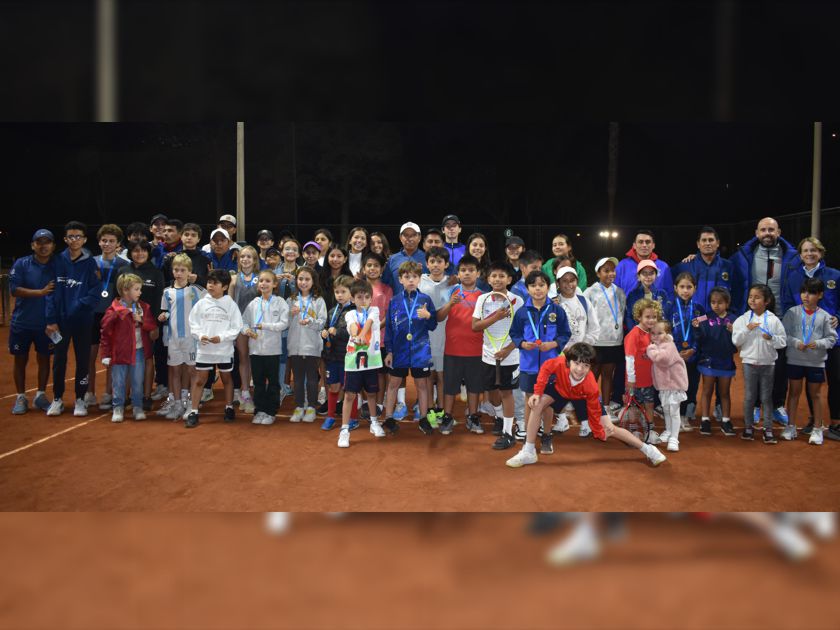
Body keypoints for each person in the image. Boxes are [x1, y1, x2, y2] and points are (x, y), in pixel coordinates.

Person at [505, 343, 667, 468]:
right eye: (576, 363)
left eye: (586, 366)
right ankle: (529, 451)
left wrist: (599, 431)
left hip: (583, 396)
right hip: (561, 388)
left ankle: (648, 449)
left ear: (590, 367)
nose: (580, 369)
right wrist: (537, 392)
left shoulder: (591, 386)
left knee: (610, 429)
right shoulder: (560, 363)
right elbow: (546, 368)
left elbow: (594, 411)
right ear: (568, 362)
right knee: (537, 404)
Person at [731, 217, 800, 423]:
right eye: (763, 230)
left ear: (778, 232)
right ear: (756, 233)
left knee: (780, 365)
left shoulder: (792, 256)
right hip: (755, 316)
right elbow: (724, 268)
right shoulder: (743, 255)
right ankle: (755, 405)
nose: (767, 233)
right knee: (755, 362)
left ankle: (777, 404)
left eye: (771, 229)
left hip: (781, 316)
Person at [780, 237, 840, 439]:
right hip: (803, 340)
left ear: (820, 253)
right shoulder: (793, 276)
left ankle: (835, 422)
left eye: (813, 250)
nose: (809, 254)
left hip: (832, 337)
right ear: (800, 255)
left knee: (835, 379)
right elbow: (787, 303)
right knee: (806, 380)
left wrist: (838, 317)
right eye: (805, 251)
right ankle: (814, 421)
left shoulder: (834, 275)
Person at [509, 270, 571, 448]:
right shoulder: (522, 312)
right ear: (527, 288)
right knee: (530, 399)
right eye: (533, 285)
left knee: (547, 400)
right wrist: (522, 344)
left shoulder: (557, 311)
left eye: (541, 285)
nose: (538, 289)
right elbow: (514, 333)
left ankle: (546, 434)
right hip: (528, 365)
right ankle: (530, 436)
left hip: (550, 364)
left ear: (548, 287)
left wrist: (553, 344)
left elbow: (565, 333)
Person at [44, 221, 100, 417]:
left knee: (83, 360)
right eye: (70, 237)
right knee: (59, 360)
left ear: (84, 240)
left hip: (82, 321)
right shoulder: (56, 261)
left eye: (78, 236)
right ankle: (57, 398)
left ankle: (80, 399)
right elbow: (50, 293)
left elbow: (95, 292)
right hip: (60, 321)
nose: (74, 240)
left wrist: (78, 305)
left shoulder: (90, 263)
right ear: (65, 239)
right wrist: (51, 320)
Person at [382, 260, 437, 435]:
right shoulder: (394, 301)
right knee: (393, 383)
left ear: (419, 279)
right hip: (399, 350)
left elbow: (433, 325)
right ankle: (389, 418)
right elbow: (389, 328)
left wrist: (428, 316)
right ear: (400, 280)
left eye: (414, 277)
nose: (411, 280)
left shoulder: (425, 299)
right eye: (407, 277)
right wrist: (389, 351)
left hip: (420, 351)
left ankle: (423, 419)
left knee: (422, 385)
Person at [472, 260, 522, 449]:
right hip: (488, 355)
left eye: (502, 276)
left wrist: (507, 350)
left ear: (509, 279)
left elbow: (522, 332)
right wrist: (496, 317)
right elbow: (475, 326)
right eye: (494, 275)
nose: (497, 279)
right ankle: (500, 417)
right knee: (493, 394)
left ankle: (508, 432)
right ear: (488, 279)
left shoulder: (517, 301)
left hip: (510, 355)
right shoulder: (482, 299)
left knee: (507, 392)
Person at [185, 269, 243, 428]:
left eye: (215, 283)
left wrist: (222, 338)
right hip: (205, 349)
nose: (210, 285)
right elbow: (193, 323)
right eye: (209, 282)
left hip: (224, 350)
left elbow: (236, 327)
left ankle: (229, 407)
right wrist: (200, 335)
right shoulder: (202, 303)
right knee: (200, 380)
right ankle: (194, 411)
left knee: (226, 379)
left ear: (224, 287)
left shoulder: (231, 304)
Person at [436, 255, 485, 435]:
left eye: (471, 270)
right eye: (463, 270)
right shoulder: (449, 292)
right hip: (453, 349)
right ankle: (448, 416)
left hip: (476, 350)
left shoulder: (483, 296)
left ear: (478, 273)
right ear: (457, 273)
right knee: (450, 387)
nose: (467, 273)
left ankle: (472, 417)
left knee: (474, 387)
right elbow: (439, 317)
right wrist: (450, 304)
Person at [9, 229, 56, 415]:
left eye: (47, 242)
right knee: (20, 359)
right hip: (22, 322)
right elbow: (14, 289)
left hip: (46, 324)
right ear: (33, 245)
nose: (43, 246)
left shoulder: (57, 265)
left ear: (53, 246)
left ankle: (40, 395)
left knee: (44, 359)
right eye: (39, 242)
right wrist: (40, 292)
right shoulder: (22, 263)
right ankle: (21, 396)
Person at [732, 284, 787, 444]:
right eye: (750, 297)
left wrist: (772, 338)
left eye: (757, 297)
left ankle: (768, 429)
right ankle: (748, 428)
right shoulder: (743, 319)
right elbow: (736, 340)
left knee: (766, 397)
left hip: (768, 364)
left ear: (766, 301)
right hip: (749, 363)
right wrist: (747, 329)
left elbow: (783, 342)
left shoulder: (774, 320)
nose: (752, 300)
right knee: (749, 397)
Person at [99, 273, 157, 422]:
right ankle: (118, 407)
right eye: (137, 289)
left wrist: (142, 321)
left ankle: (137, 407)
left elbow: (152, 326)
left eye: (140, 289)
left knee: (138, 381)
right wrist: (105, 354)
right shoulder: (114, 310)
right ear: (125, 290)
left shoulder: (143, 307)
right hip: (120, 352)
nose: (140, 292)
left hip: (138, 351)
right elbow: (105, 333)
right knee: (118, 382)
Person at [85, 224, 129, 411]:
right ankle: (89, 393)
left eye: (112, 241)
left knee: (111, 356)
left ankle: (108, 393)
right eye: (104, 240)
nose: (107, 244)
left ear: (118, 244)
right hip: (92, 315)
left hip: (112, 316)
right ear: (99, 242)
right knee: (90, 355)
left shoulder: (124, 265)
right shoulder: (90, 263)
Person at [338, 279, 387, 447]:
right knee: (349, 395)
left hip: (372, 361)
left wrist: (361, 335)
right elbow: (352, 327)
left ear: (371, 298)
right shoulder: (349, 314)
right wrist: (355, 335)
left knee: (371, 394)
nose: (364, 300)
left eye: (367, 297)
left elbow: (369, 323)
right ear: (352, 299)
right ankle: (344, 430)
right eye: (359, 297)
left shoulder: (374, 310)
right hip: (353, 362)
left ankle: (374, 422)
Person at [116, 240, 164, 410]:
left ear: (148, 253)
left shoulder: (156, 273)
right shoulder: (123, 271)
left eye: (143, 250)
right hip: (125, 323)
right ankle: (126, 396)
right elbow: (117, 298)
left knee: (148, 358)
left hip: (147, 323)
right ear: (130, 253)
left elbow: (159, 299)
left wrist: (154, 325)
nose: (140, 254)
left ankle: (146, 396)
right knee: (127, 357)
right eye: (136, 251)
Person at [156, 253, 205, 421]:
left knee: (192, 371)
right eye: (176, 270)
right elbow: (166, 311)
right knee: (175, 371)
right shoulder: (167, 292)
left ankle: (191, 403)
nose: (179, 273)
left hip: (191, 338)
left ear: (190, 271)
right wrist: (163, 316)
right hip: (174, 338)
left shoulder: (197, 290)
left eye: (183, 270)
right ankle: (177, 404)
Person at [242, 269, 290, 425]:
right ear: (258, 285)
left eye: (268, 281)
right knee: (258, 383)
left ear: (275, 284)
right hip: (255, 350)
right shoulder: (253, 304)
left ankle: (271, 411)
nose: (264, 284)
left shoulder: (280, 302)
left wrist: (265, 326)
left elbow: (284, 324)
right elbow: (243, 322)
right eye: (261, 281)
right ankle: (260, 410)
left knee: (273, 383)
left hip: (272, 350)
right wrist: (247, 330)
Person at [583, 257, 626, 418]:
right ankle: (590, 408)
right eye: (606, 271)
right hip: (596, 341)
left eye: (612, 270)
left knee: (608, 376)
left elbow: (621, 313)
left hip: (614, 341)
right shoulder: (590, 292)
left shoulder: (620, 292)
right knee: (592, 376)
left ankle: (606, 409)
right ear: (598, 273)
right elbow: (585, 317)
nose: (610, 274)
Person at [693, 287, 738, 437]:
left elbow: (740, 339)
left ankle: (726, 420)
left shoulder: (734, 319)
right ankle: (705, 419)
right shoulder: (704, 317)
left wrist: (734, 331)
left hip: (725, 362)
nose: (716, 305)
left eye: (720, 302)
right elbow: (697, 332)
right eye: (713, 302)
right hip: (708, 361)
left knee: (724, 393)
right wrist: (696, 327)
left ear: (727, 303)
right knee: (707, 391)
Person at [663, 272, 705, 430]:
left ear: (695, 288)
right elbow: (664, 332)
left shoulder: (700, 310)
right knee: (675, 387)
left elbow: (703, 333)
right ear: (675, 288)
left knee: (691, 386)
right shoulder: (669, 307)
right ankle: (674, 416)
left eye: (689, 287)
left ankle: (686, 416)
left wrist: (693, 349)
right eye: (682, 287)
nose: (685, 290)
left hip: (693, 356)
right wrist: (675, 350)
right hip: (674, 356)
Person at [286, 267, 327, 423]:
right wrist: (290, 314)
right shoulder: (290, 300)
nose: (303, 282)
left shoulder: (318, 300)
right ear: (296, 281)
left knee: (311, 379)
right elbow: (284, 323)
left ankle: (311, 407)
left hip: (312, 346)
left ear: (313, 281)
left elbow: (322, 322)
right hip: (295, 346)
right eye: (300, 279)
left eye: (307, 279)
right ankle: (298, 406)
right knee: (297, 379)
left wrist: (310, 321)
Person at [645, 320, 689, 452]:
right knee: (666, 411)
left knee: (674, 412)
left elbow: (661, 359)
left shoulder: (669, 345)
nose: (655, 336)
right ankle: (669, 431)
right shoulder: (658, 345)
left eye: (660, 333)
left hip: (674, 385)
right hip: (664, 386)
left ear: (667, 333)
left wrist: (650, 348)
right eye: (653, 333)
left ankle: (674, 438)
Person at [419, 246, 451, 424]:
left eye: (440, 261)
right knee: (428, 375)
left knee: (442, 375)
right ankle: (430, 408)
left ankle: (442, 409)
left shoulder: (452, 283)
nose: (436, 265)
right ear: (427, 264)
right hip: (426, 336)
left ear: (446, 264)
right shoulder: (420, 281)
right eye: (432, 261)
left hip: (446, 336)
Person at [320, 275, 356, 431]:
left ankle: (353, 418)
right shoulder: (332, 311)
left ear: (351, 293)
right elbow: (327, 326)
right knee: (333, 387)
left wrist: (338, 332)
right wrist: (324, 332)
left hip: (348, 356)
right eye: (337, 292)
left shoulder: (355, 311)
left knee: (349, 389)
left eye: (343, 292)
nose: (339, 295)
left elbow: (354, 333)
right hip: (332, 356)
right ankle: (330, 416)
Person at [624, 298, 662, 442]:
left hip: (648, 380)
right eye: (647, 317)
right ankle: (634, 431)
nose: (651, 320)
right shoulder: (634, 334)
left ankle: (650, 431)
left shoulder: (652, 333)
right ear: (639, 317)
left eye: (654, 317)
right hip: (634, 381)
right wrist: (631, 379)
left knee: (649, 404)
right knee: (633, 407)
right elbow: (629, 358)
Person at [228, 245, 261, 413]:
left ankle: (258, 392)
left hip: (257, 325)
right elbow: (230, 304)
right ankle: (245, 392)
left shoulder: (261, 278)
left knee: (256, 357)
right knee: (243, 357)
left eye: (249, 257)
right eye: (242, 256)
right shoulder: (234, 279)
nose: (245, 259)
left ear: (255, 260)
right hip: (240, 324)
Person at [672, 226, 734, 312]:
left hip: (718, 318)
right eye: (704, 240)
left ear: (718, 243)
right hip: (693, 317)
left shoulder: (728, 266)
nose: (707, 243)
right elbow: (670, 288)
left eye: (711, 240)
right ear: (698, 244)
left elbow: (736, 293)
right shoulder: (685, 266)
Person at [362, 251, 392, 416]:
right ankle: (365, 402)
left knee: (380, 373)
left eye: (376, 266)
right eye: (369, 265)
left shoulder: (387, 289)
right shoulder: (357, 287)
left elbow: (388, 314)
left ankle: (379, 403)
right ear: (363, 268)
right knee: (362, 370)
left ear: (381, 269)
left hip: (380, 338)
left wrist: (374, 329)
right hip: (360, 339)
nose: (372, 268)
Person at [614, 229, 672, 297]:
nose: (644, 245)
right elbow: (614, 292)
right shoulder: (622, 266)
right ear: (634, 245)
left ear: (653, 245)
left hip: (656, 304)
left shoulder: (664, 267)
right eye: (640, 242)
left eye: (648, 242)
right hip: (628, 304)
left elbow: (670, 293)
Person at [624, 259, 668, 333]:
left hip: (656, 335)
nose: (648, 276)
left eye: (651, 273)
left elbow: (664, 316)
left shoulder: (662, 294)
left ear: (656, 275)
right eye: (644, 273)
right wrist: (635, 333)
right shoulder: (632, 295)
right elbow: (629, 317)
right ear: (638, 276)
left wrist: (659, 333)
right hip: (638, 334)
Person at [382, 222, 427, 293]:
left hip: (422, 299)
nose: (410, 238)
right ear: (400, 238)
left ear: (419, 237)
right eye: (406, 235)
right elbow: (385, 285)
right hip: (398, 299)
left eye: (413, 235)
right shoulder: (392, 259)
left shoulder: (427, 258)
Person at [162, 222, 209, 289]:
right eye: (186, 234)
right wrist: (176, 282)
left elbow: (211, 285)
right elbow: (162, 283)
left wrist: (198, 280)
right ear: (181, 237)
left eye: (193, 235)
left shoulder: (205, 260)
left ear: (198, 239)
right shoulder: (171, 258)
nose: (189, 238)